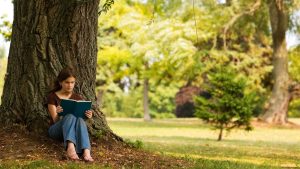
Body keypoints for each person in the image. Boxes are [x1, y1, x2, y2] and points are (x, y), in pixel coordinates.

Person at [47, 67, 94, 162]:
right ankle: (70, 147)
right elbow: (55, 120)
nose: (70, 85)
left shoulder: (77, 98)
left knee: (80, 120)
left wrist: (88, 116)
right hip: (56, 130)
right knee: (69, 116)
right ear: (60, 82)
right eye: (67, 82)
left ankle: (86, 151)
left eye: (72, 82)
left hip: (73, 131)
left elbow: (80, 121)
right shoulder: (52, 96)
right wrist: (58, 113)